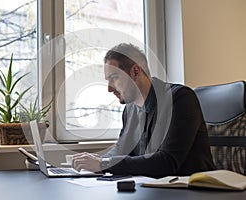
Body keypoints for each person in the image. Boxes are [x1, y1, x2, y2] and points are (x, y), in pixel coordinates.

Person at [72, 43, 216, 178]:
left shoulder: (180, 99)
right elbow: (121, 149)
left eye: (114, 78)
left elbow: (167, 162)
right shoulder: (130, 109)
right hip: (153, 189)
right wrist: (97, 161)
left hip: (191, 192)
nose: (109, 88)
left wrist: (105, 164)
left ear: (135, 72)